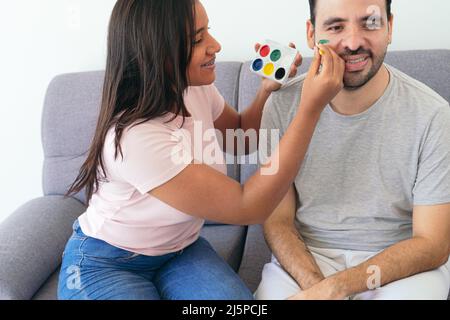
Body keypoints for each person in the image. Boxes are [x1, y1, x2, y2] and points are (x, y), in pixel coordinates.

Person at [57, 0, 343, 300]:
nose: (215, 45)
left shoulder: (193, 86)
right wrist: (311, 107)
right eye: (197, 39)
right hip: (107, 262)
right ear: (157, 53)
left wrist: (265, 91)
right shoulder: (135, 138)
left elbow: (242, 135)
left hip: (180, 251)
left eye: (208, 31)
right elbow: (248, 206)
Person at [256, 0, 450, 300]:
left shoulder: (434, 115)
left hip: (399, 266)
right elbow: (277, 220)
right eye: (335, 26)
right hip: (305, 260)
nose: (353, 42)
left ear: (390, 28)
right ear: (311, 34)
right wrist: (316, 287)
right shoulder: (280, 106)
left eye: (370, 23)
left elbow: (432, 243)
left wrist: (336, 288)